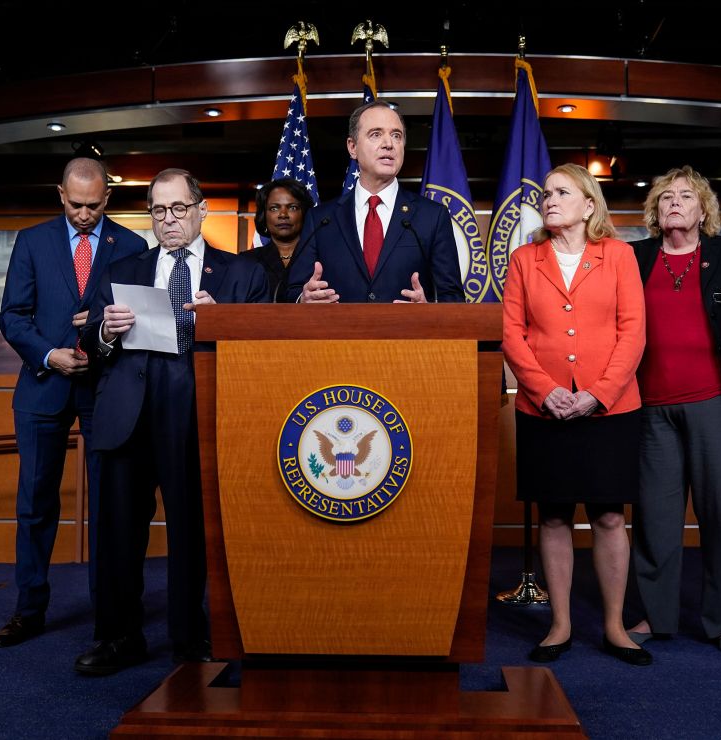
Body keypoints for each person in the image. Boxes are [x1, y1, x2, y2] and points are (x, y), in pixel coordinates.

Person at [73, 168, 269, 675]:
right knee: (117, 532)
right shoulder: (124, 266)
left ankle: (189, 637)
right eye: (159, 211)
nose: (169, 220)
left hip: (197, 411)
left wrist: (222, 321)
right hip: (128, 413)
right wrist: (107, 332)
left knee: (191, 533)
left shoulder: (240, 272)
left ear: (202, 210)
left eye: (179, 208)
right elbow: (91, 345)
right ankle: (118, 637)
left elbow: (265, 349)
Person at [0, 157, 147, 648]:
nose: (84, 214)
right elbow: (12, 316)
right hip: (43, 385)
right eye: (76, 204)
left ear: (108, 198)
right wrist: (48, 354)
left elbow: (140, 324)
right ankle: (29, 610)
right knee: (35, 503)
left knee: (110, 506)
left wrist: (100, 331)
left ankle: (110, 615)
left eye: (94, 205)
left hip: (106, 388)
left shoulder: (134, 246)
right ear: (61, 195)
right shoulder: (32, 241)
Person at [625, 166, 721, 655]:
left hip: (720, 404)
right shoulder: (635, 257)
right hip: (651, 408)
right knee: (654, 517)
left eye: (686, 196)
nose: (675, 203)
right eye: (666, 196)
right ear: (655, 210)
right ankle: (656, 614)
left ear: (702, 209)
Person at [502, 163, 648, 666]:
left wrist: (598, 394)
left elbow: (633, 333)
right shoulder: (525, 258)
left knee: (609, 515)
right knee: (554, 515)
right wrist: (544, 391)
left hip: (609, 410)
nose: (549, 199)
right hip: (544, 411)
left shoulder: (620, 255)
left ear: (590, 205)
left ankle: (614, 626)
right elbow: (512, 335)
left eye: (562, 192)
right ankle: (560, 625)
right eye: (546, 192)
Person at [286, 100, 464, 304]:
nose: (389, 144)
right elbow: (291, 291)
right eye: (376, 134)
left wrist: (428, 309)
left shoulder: (432, 217)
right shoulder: (321, 220)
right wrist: (304, 299)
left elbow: (454, 297)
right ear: (352, 147)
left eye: (396, 136)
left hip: (408, 335)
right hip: (339, 335)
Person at [250, 177, 314, 302]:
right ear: (264, 215)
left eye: (292, 207)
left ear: (304, 213)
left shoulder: (320, 259)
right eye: (274, 208)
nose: (283, 215)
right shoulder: (246, 261)